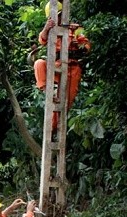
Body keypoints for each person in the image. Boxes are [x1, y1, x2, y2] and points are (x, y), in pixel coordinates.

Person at [33, 1, 91, 131]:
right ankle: (47, 89)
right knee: (39, 63)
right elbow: (42, 40)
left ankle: (54, 128)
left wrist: (80, 46)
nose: (57, 18)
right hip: (57, 65)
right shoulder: (50, 29)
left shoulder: (74, 29)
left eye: (59, 15)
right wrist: (46, 28)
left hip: (72, 68)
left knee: (63, 105)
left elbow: (86, 45)